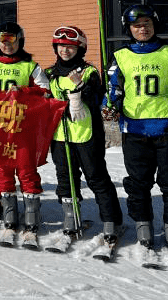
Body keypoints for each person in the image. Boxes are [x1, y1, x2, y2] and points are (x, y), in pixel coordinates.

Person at [104, 4, 168, 253]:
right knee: (138, 183)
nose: (142, 29)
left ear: (154, 25)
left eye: (146, 24)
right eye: (136, 25)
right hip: (134, 130)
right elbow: (113, 90)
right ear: (129, 29)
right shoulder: (121, 55)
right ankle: (143, 228)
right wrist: (109, 106)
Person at [43, 25, 123, 244]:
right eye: (61, 46)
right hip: (60, 136)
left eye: (70, 47)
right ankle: (71, 218)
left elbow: (96, 98)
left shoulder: (88, 72)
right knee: (65, 179)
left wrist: (80, 90)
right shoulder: (49, 73)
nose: (65, 51)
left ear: (80, 48)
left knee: (96, 178)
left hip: (87, 134)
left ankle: (111, 222)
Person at [0, 22, 50, 247]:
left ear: (20, 41)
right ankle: (9, 220)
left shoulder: (30, 66)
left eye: (11, 40)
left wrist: (25, 91)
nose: (7, 45)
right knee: (2, 174)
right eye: (2, 40)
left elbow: (46, 90)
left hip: (22, 130)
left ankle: (31, 222)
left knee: (27, 173)